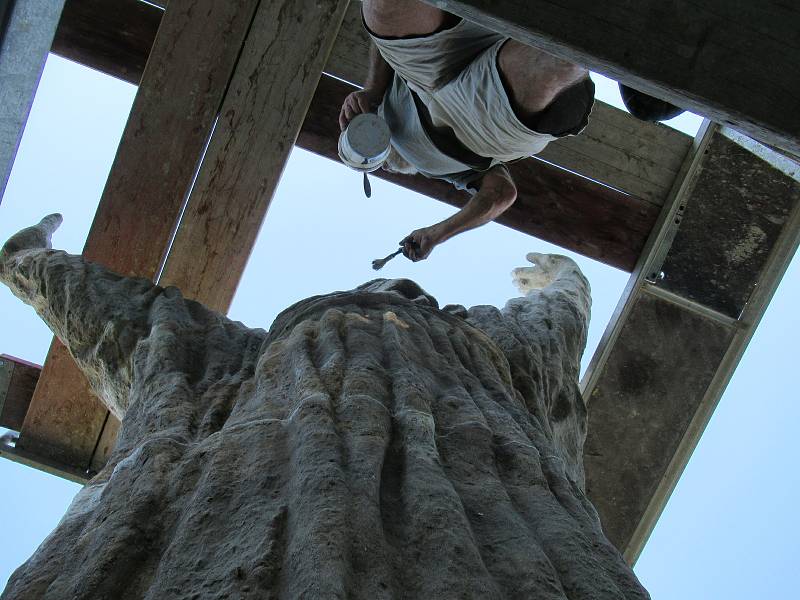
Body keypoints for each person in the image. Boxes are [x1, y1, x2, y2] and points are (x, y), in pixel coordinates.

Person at [0, 215, 650, 598]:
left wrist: (561, 278)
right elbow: (116, 314)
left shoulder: (491, 353)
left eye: (399, 288)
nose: (389, 289)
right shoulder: (220, 362)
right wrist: (32, 260)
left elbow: (555, 317)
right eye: (382, 284)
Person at [339, 0, 596, 262]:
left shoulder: (382, 99)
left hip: (422, 70)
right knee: (559, 60)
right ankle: (616, 45)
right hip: (469, 126)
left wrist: (372, 90)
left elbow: (386, 48)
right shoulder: (447, 171)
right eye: (378, 166)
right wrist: (436, 234)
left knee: (383, 12)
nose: (384, 166)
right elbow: (500, 195)